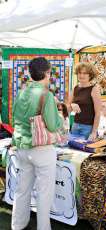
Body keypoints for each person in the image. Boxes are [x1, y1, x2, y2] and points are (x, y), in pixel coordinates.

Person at [11, 57, 63, 230]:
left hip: (22, 147)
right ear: (47, 73)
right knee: (44, 193)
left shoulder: (21, 92)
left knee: (22, 189)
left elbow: (16, 118)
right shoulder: (46, 95)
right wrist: (61, 112)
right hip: (41, 149)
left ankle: (17, 225)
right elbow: (53, 124)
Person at [68, 62, 101, 141]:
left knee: (85, 151)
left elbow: (98, 113)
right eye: (79, 73)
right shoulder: (75, 88)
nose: (81, 75)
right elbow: (67, 109)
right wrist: (72, 105)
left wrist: (94, 132)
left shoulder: (94, 89)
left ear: (90, 75)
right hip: (75, 125)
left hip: (88, 128)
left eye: (85, 73)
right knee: (73, 150)